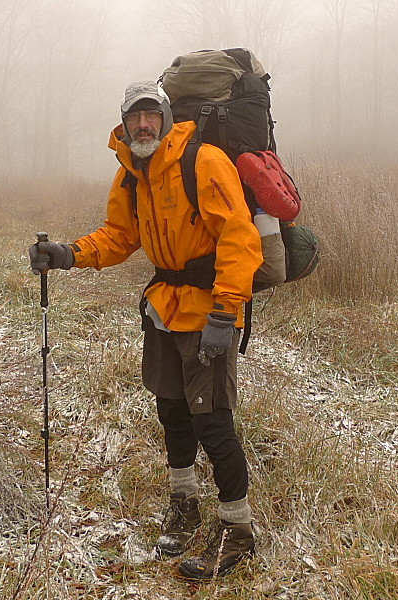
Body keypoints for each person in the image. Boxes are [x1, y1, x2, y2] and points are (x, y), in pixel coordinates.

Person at [28, 81, 262, 580]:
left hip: (208, 310)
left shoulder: (203, 161)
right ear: (125, 123)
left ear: (166, 115)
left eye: (150, 114)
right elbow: (119, 235)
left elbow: (239, 237)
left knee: (212, 420)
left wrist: (225, 313)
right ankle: (185, 504)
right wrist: (69, 254)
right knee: (172, 411)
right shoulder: (132, 174)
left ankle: (238, 531)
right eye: (134, 117)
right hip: (163, 307)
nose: (143, 125)